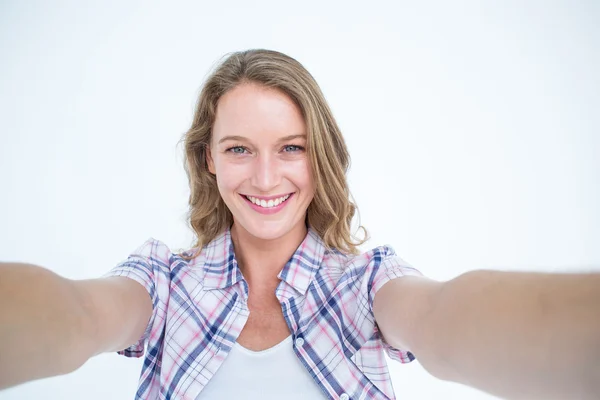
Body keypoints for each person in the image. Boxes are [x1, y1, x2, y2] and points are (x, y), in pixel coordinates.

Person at [0, 49, 599, 400]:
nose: (265, 179)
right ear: (208, 158)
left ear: (322, 156)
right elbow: (77, 314)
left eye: (290, 147)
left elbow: (446, 318)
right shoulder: (162, 283)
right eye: (238, 149)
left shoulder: (367, 285)